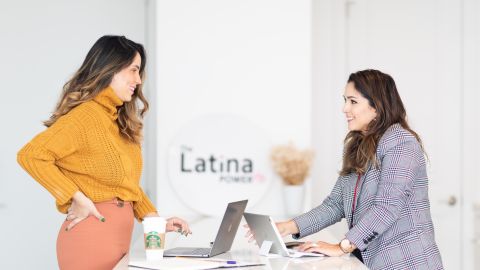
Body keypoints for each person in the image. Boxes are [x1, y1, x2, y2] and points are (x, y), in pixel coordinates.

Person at [17, 35, 191, 270]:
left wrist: (154, 220)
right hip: (90, 240)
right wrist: (75, 197)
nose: (138, 80)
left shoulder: (117, 122)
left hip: (118, 241)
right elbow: (31, 155)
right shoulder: (86, 116)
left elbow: (126, 185)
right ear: (111, 67)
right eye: (133, 70)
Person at [273, 69, 443, 269]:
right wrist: (288, 226)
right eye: (345, 100)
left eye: (353, 102)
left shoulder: (400, 143)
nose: (345, 108)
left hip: (408, 262)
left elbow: (387, 207)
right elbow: (335, 205)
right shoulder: (358, 146)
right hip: (372, 262)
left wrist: (342, 246)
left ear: (377, 107)